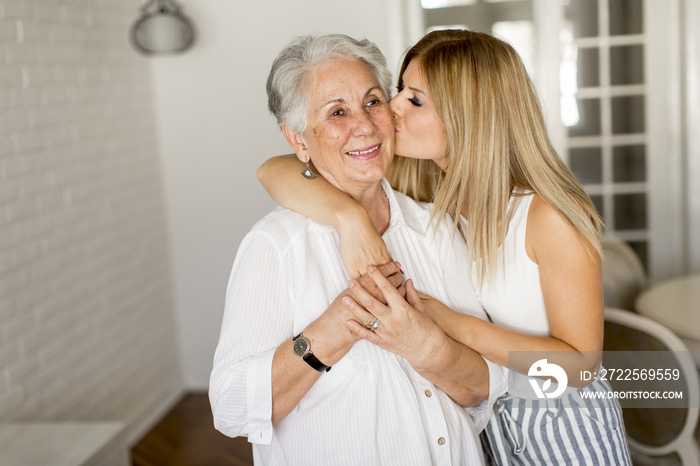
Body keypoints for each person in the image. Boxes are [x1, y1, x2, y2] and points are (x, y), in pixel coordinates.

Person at [256, 30, 632, 465]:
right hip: (490, 420)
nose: (390, 107)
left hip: (562, 422)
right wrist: (349, 218)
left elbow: (581, 366)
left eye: (415, 100)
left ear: (468, 116)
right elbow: (274, 170)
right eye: (399, 90)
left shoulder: (547, 217)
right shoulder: (427, 191)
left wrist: (450, 324)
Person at [209, 33, 507, 466]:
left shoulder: (436, 228)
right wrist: (332, 331)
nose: (364, 125)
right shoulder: (275, 245)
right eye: (336, 112)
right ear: (298, 140)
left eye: (372, 101)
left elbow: (487, 386)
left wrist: (425, 347)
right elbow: (233, 407)